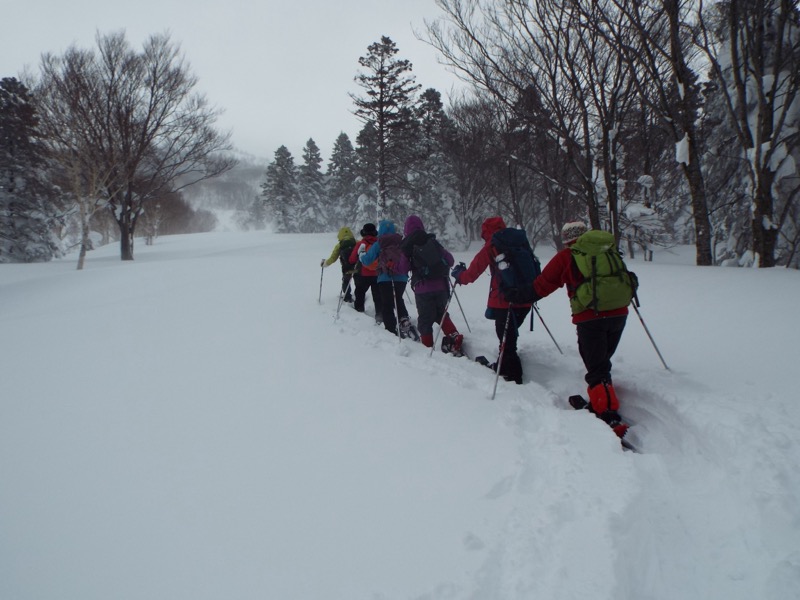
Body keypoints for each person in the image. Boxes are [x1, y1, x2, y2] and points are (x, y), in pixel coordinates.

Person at [508, 221, 629, 437]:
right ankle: (601, 399)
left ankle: (608, 414)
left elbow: (542, 285)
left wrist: (518, 295)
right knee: (601, 361)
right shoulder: (607, 249)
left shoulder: (567, 256)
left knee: (596, 367)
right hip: (619, 312)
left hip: (590, 316)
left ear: (566, 239)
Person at [451, 216, 533, 383]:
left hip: (504, 300)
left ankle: (511, 376)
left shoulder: (492, 245)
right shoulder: (519, 241)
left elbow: (471, 274)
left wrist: (459, 275)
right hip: (526, 297)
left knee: (507, 340)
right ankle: (506, 366)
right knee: (508, 337)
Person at [400, 215, 464, 355]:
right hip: (441, 287)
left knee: (424, 320)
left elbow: (403, 269)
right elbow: (450, 260)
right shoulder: (432, 241)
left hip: (423, 289)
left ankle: (427, 348)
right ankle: (454, 336)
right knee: (441, 314)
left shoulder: (408, 246)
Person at [358, 219, 416, 338]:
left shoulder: (380, 242)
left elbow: (367, 260)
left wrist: (361, 254)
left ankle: (391, 330)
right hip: (401, 278)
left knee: (387, 304)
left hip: (385, 278)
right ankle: (404, 320)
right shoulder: (401, 241)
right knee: (398, 298)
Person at [349, 223, 381, 323]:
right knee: (378, 295)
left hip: (363, 274)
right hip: (377, 273)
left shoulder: (360, 244)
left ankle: (359, 311)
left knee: (360, 292)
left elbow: (352, 259)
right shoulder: (379, 244)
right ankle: (380, 315)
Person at [321, 227, 357, 303]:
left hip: (346, 268)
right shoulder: (357, 242)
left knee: (346, 281)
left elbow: (333, 258)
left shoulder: (339, 245)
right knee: (358, 282)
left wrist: (325, 264)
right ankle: (359, 297)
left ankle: (347, 297)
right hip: (358, 267)